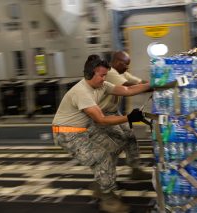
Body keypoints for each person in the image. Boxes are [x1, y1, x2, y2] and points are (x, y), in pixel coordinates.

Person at [52, 55, 151, 212]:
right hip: (67, 134)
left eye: (105, 75)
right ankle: (108, 198)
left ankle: (100, 184)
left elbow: (127, 90)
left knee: (117, 145)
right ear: (90, 74)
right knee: (103, 156)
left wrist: (152, 85)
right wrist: (129, 118)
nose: (104, 79)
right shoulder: (81, 92)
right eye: (102, 75)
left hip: (83, 129)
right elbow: (101, 120)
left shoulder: (101, 85)